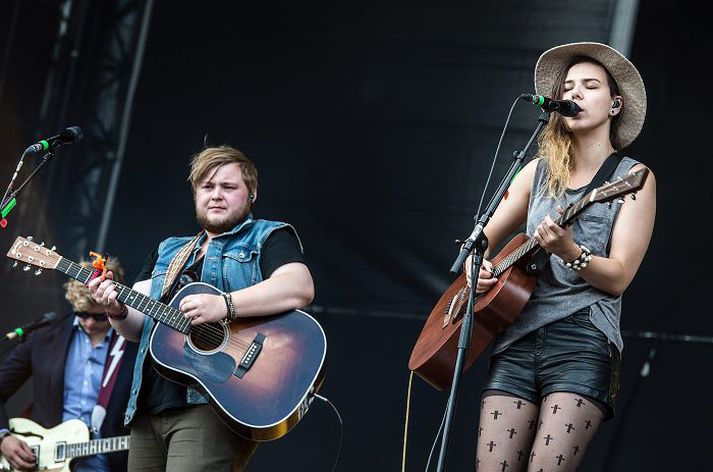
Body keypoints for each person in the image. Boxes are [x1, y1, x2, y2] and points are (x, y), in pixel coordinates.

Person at [467, 42, 656, 471]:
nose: (576, 93)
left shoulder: (634, 178)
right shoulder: (536, 171)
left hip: (583, 341)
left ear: (615, 105)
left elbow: (620, 276)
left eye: (591, 86)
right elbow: (480, 240)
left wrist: (570, 251)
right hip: (516, 338)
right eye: (569, 86)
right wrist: (474, 270)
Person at [87, 144, 315, 472]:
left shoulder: (267, 236)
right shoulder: (169, 249)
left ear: (251, 193)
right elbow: (137, 327)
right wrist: (115, 310)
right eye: (207, 187)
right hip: (147, 405)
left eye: (228, 187)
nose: (216, 195)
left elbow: (299, 286)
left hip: (212, 403)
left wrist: (224, 305)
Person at [0, 258, 137, 472]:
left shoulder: (133, 345)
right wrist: (3, 437)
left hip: (107, 459)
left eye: (99, 316)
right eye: (82, 314)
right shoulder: (45, 336)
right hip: (43, 459)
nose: (90, 323)